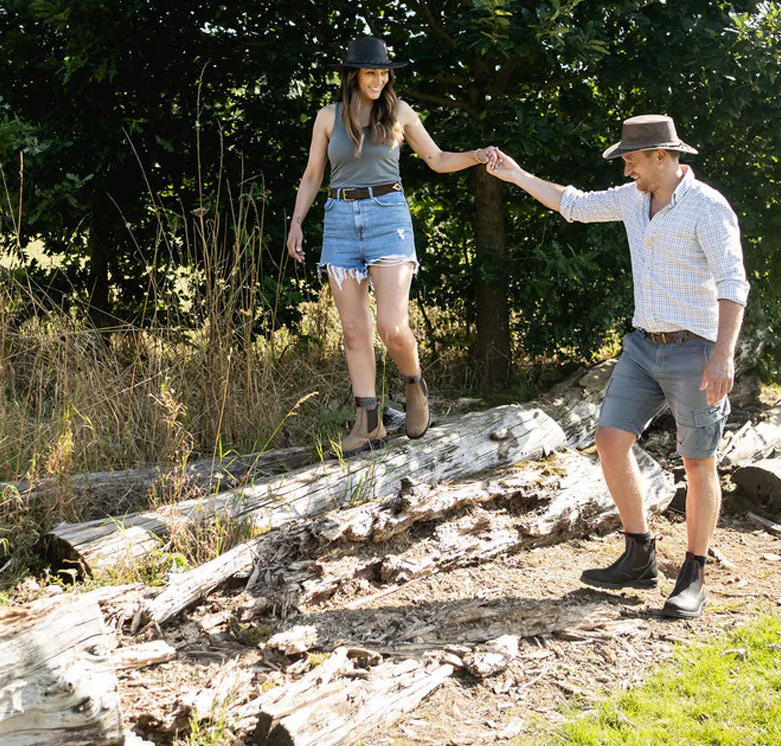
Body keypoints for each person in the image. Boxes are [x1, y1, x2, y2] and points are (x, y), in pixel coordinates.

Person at [485, 114, 747, 619]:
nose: (624, 167)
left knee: (698, 461)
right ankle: (638, 554)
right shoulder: (633, 199)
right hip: (642, 347)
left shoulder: (708, 208)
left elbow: (734, 285)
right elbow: (574, 205)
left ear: (662, 157)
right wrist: (516, 175)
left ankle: (693, 574)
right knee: (609, 439)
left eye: (630, 157)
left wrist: (723, 356)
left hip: (696, 350)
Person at [287, 36, 491, 456]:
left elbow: (436, 159)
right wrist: (297, 224)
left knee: (391, 327)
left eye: (383, 73)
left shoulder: (398, 112)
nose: (379, 80)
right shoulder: (329, 117)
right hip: (341, 218)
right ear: (353, 75)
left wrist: (476, 154)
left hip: (388, 217)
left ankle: (414, 385)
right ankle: (368, 424)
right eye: (370, 73)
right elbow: (311, 176)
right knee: (354, 332)